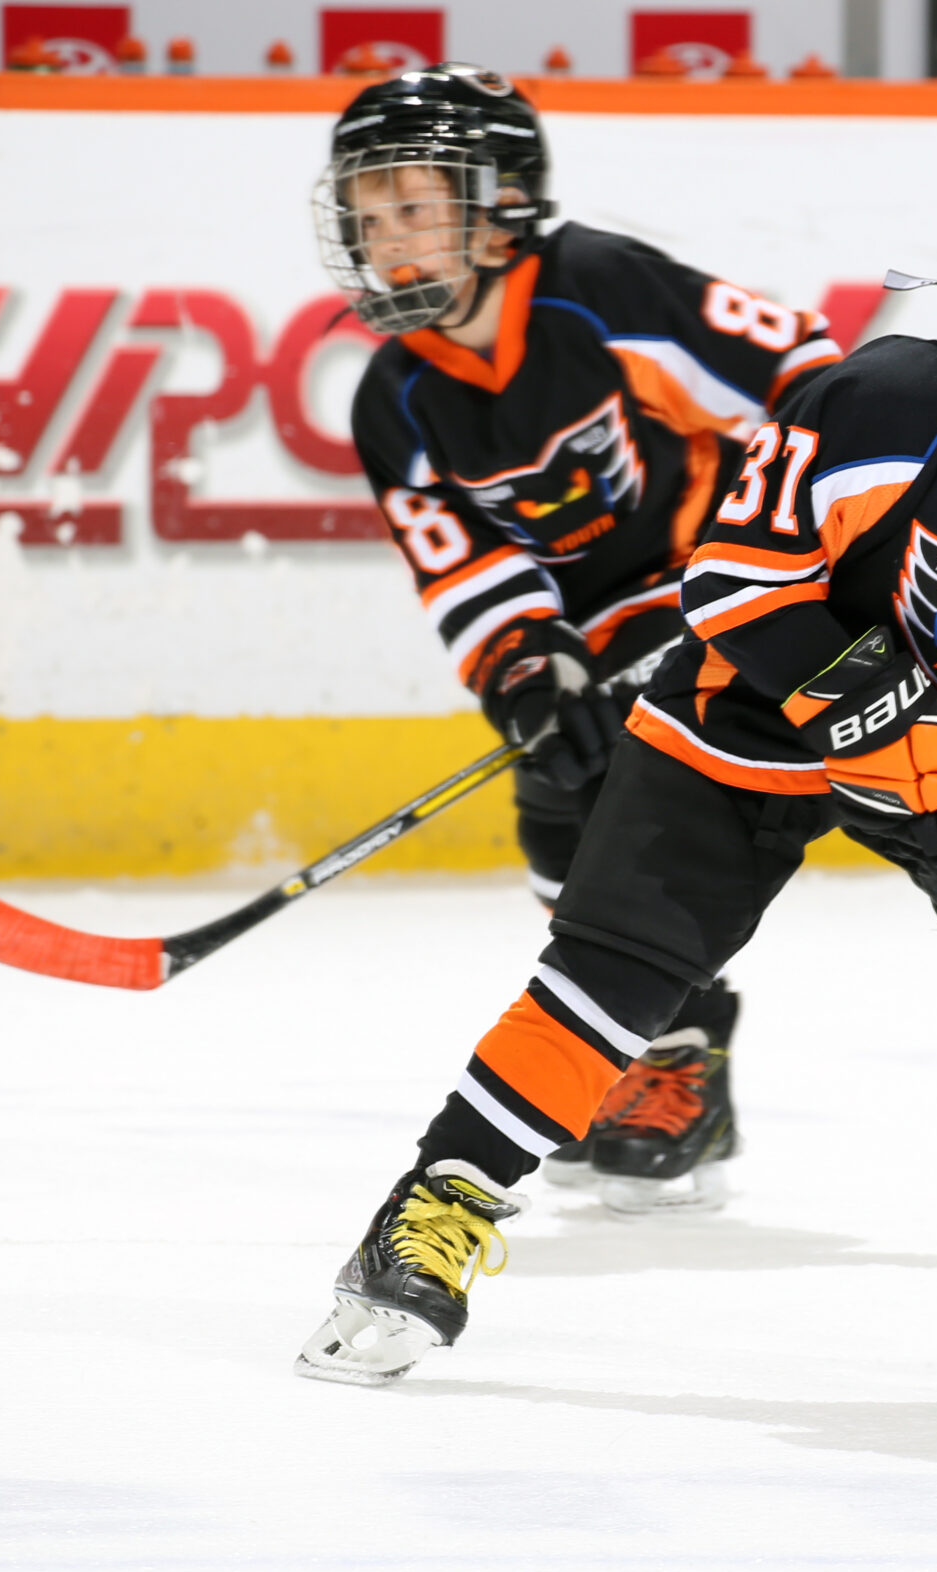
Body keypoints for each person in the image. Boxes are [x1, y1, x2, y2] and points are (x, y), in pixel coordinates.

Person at [296, 162, 937, 1392]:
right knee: (614, 977)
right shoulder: (897, 407)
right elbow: (734, 581)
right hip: (745, 715)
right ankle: (433, 1214)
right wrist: (863, 702)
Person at [319, 65, 839, 1204]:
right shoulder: (394, 399)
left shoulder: (599, 289)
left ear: (501, 200)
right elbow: (468, 568)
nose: (386, 237)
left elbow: (811, 387)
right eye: (367, 212)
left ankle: (677, 1056)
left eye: (413, 204)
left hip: (740, 582)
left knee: (655, 789)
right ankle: (647, 1049)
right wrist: (526, 675)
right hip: (604, 627)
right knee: (556, 782)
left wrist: (783, 565)